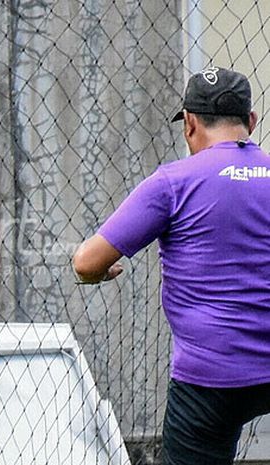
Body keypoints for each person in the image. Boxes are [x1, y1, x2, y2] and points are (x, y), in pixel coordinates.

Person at [72, 66, 270, 464]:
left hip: (210, 378)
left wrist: (100, 273)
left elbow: (86, 262)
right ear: (250, 120)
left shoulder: (172, 182)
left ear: (190, 123)